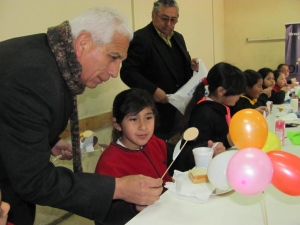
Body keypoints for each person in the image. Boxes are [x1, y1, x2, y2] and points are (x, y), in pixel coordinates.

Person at [0, 7, 163, 225]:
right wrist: (118, 187)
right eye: (113, 57)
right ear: (83, 43)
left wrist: (48, 140)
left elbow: (11, 120)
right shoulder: (34, 75)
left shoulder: (52, 58)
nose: (115, 72)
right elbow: (34, 180)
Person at [120, 0, 199, 141]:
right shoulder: (141, 38)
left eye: (173, 20)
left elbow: (175, 69)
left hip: (180, 111)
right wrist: (153, 90)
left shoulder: (178, 38)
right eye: (164, 18)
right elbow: (128, 72)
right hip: (156, 112)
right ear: (153, 15)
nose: (169, 24)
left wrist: (191, 67)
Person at [95, 88, 173, 225]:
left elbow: (179, 156)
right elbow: (104, 216)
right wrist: (134, 208)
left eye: (148, 117)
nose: (143, 126)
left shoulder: (154, 142)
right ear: (117, 125)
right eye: (133, 119)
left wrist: (206, 149)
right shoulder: (109, 163)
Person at [170, 62, 245, 173]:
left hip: (218, 163)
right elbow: (198, 151)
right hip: (205, 171)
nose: (239, 97)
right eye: (237, 93)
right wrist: (227, 141)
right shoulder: (204, 113)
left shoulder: (220, 106)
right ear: (221, 91)